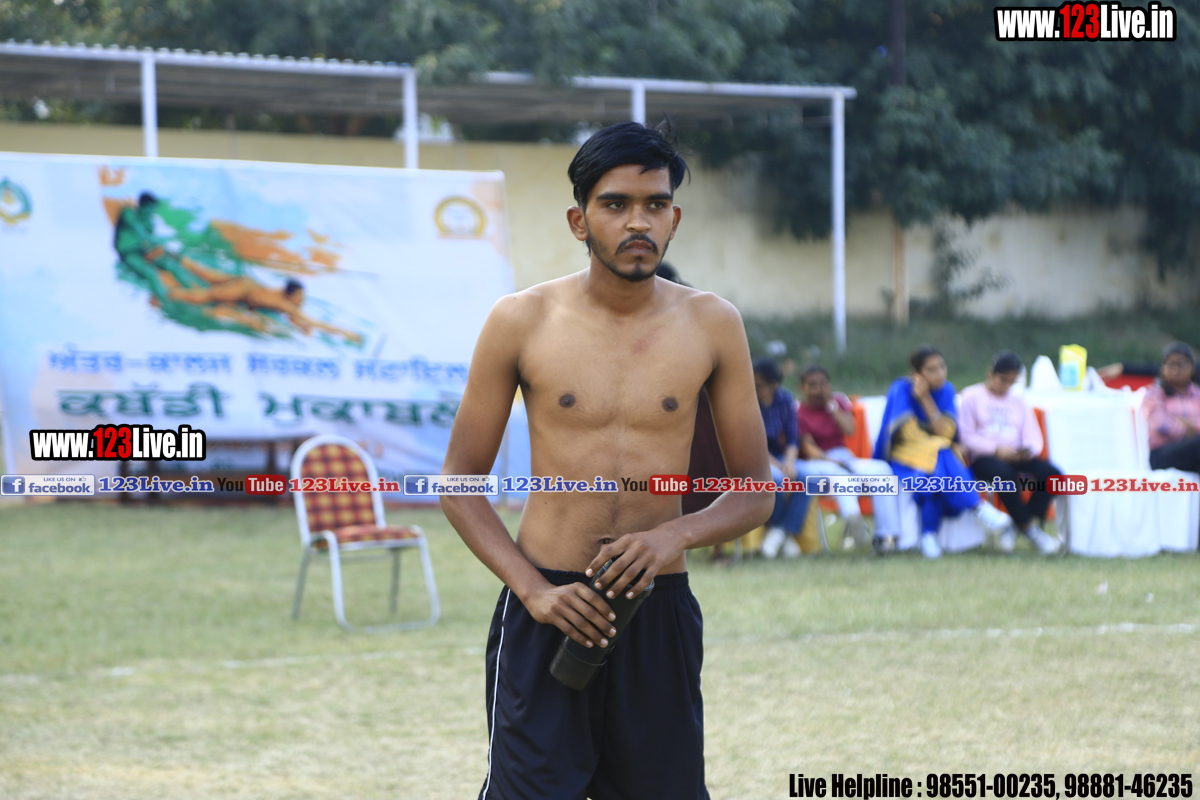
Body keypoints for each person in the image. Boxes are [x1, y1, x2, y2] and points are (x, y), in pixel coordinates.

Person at [439, 121, 773, 800]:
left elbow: (755, 491)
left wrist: (672, 535)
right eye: (615, 204)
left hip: (657, 612)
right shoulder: (521, 320)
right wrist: (533, 592)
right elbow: (458, 484)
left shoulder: (714, 324)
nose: (638, 221)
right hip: (548, 606)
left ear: (674, 219)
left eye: (655, 204)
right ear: (579, 220)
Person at [872, 345, 1014, 559]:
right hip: (905, 458)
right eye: (931, 369)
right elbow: (909, 436)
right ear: (917, 373)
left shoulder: (946, 390)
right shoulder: (901, 389)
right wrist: (938, 441)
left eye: (942, 367)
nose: (939, 373)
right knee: (944, 452)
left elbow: (947, 432)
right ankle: (977, 507)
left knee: (935, 475)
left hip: (936, 457)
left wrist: (925, 400)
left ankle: (929, 535)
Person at [959, 351, 1061, 554]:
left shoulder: (1018, 400)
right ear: (991, 374)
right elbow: (966, 436)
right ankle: (1030, 530)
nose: (1006, 386)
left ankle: (1017, 526)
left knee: (1053, 475)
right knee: (1005, 475)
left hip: (1016, 454)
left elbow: (1033, 437)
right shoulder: (971, 396)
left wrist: (1027, 451)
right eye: (1003, 380)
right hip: (984, 456)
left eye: (1011, 382)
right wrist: (995, 449)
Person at [796, 364, 901, 551]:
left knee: (882, 470)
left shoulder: (837, 402)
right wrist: (832, 461)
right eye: (812, 385)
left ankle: (886, 537)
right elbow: (808, 448)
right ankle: (854, 520)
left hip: (844, 456)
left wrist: (831, 406)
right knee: (841, 476)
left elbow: (850, 429)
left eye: (823, 384)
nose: (818, 389)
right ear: (802, 388)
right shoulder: (799, 413)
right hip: (818, 462)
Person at [753, 358, 817, 559]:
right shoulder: (747, 402)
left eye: (759, 385)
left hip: (782, 455)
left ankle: (781, 532)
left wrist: (789, 462)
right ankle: (783, 534)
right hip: (756, 458)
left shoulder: (785, 399)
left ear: (773, 384)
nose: (754, 389)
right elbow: (752, 443)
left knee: (809, 478)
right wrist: (780, 466)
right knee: (777, 481)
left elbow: (792, 437)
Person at [1141, 342, 1200, 473]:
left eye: (1180, 364)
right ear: (1163, 368)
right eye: (1170, 364)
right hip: (1163, 454)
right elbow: (1160, 424)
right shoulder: (1154, 394)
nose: (1175, 369)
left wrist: (1191, 424)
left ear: (1192, 367)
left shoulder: (1198, 394)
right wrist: (1187, 429)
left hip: (1193, 452)